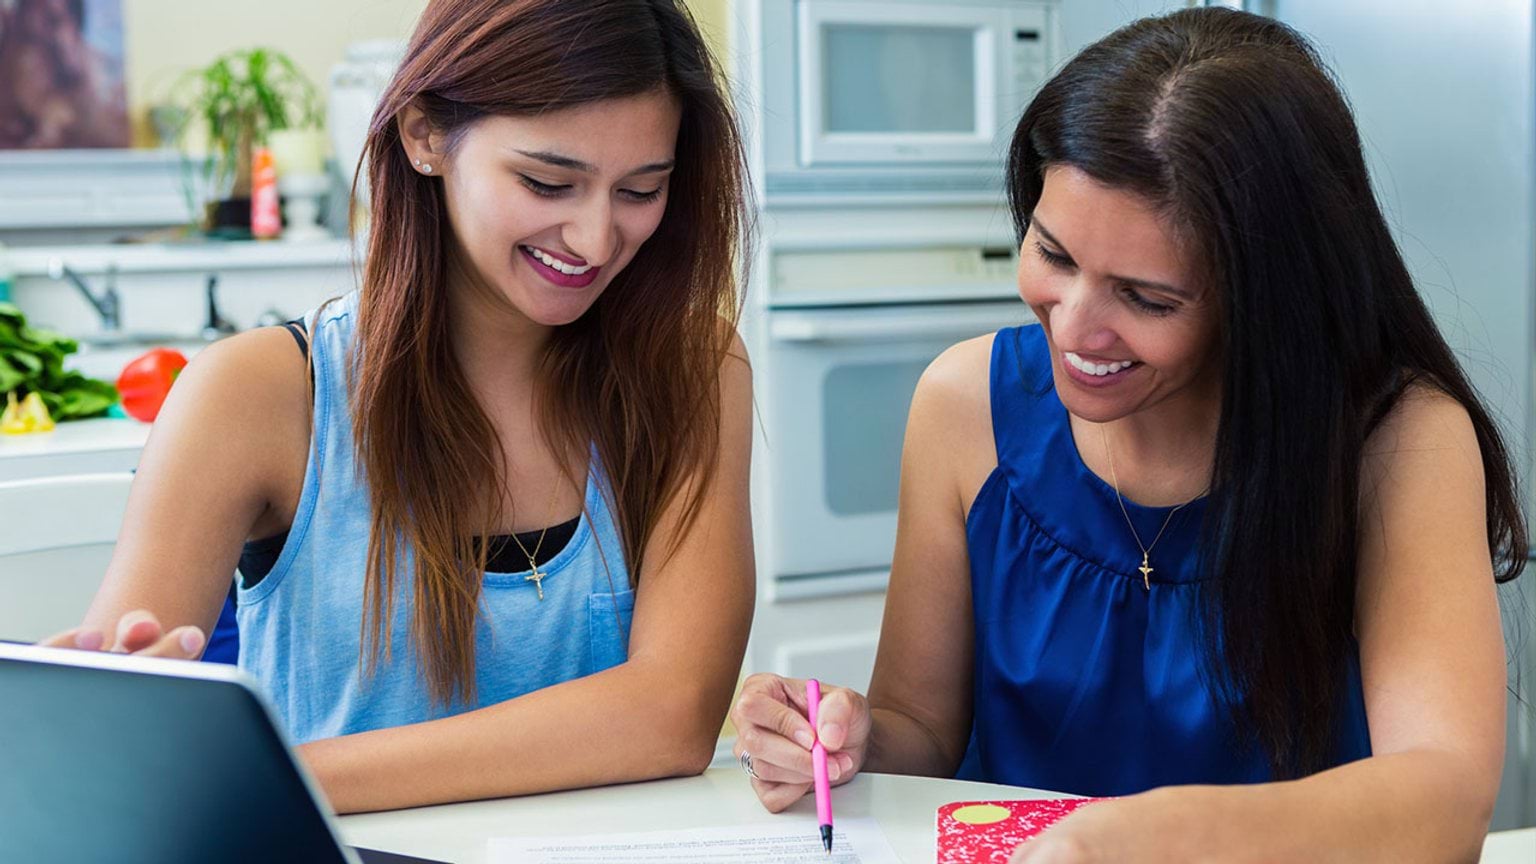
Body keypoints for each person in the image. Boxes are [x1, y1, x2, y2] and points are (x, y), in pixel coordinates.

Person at [730, 8, 1525, 861]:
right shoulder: (964, 406)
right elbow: (922, 728)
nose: (1074, 326)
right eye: (1053, 255)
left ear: (1268, 302)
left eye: (1147, 298)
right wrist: (844, 742)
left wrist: (1150, 834)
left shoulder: (1398, 444)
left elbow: (1443, 795)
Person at [42, 0, 756, 814]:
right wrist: (115, 711)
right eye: (547, 182)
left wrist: (268, 777)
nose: (595, 240)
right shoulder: (259, 393)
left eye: (640, 189)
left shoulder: (694, 370)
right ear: (424, 137)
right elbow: (123, 722)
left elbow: (670, 716)